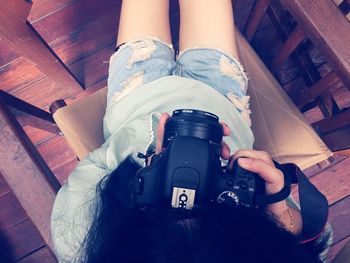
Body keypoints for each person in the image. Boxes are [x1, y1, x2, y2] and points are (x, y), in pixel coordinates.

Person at [51, 0, 332, 262]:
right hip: (221, 98)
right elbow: (317, 240)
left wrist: (142, 166)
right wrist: (278, 206)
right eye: (214, 202)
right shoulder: (271, 250)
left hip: (138, 98)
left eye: (163, 206)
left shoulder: (81, 237)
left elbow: (94, 166)